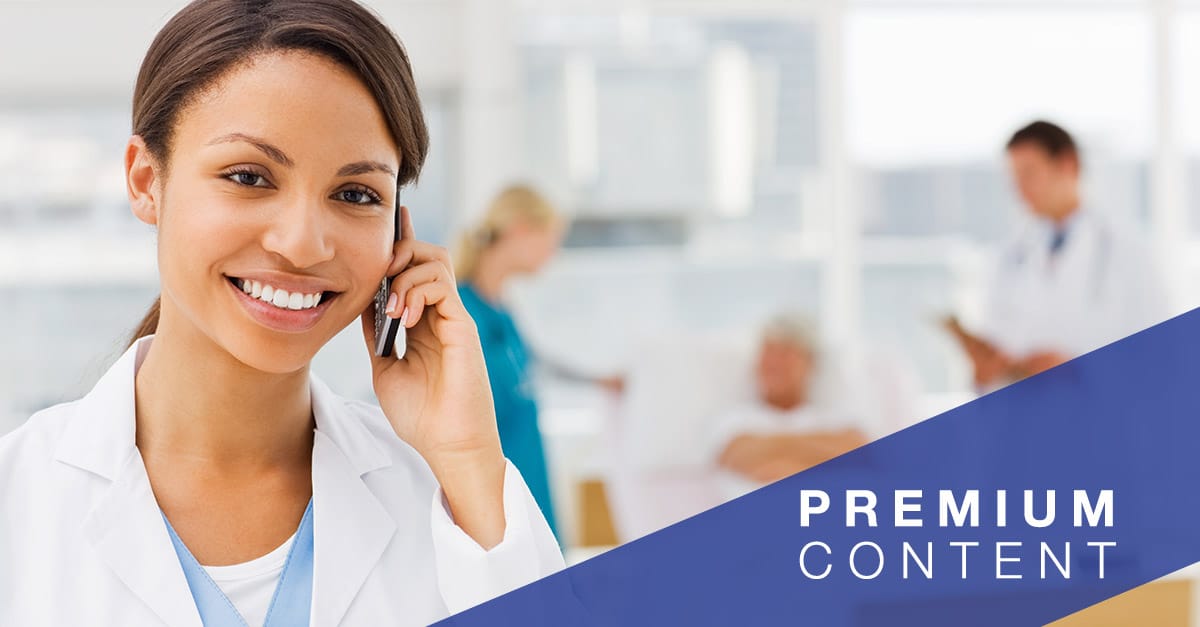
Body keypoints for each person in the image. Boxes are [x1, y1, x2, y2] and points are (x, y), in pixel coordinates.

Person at [0, 1, 562, 625]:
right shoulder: (17, 503)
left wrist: (467, 462)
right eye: (249, 176)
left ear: (398, 233)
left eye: (356, 194)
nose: (302, 244)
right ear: (144, 180)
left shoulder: (446, 500)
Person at [454, 185, 621, 545]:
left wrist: (599, 381)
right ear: (520, 230)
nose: (552, 254)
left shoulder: (501, 308)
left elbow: (536, 362)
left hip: (526, 466)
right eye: (550, 240)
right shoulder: (461, 310)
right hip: (492, 490)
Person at [958, 120, 1169, 390]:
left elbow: (1161, 359)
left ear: (1068, 164)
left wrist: (1077, 370)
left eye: (1029, 173)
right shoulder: (1009, 257)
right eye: (1014, 177)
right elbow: (994, 347)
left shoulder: (1129, 254)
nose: (1019, 188)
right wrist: (985, 372)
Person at [710, 313, 870, 498]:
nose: (774, 363)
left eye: (785, 353)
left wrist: (776, 454)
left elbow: (861, 455)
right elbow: (746, 460)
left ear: (810, 364)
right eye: (768, 352)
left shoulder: (836, 418)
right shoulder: (734, 419)